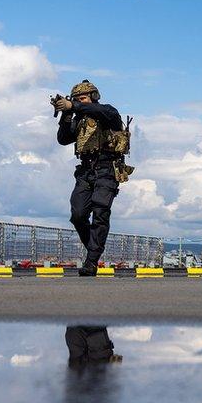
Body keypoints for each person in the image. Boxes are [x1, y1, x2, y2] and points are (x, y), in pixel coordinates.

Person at [53, 80, 133, 277]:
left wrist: (74, 106)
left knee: (100, 212)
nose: (80, 101)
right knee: (78, 214)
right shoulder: (79, 121)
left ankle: (91, 261)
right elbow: (63, 139)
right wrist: (66, 113)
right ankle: (94, 248)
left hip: (107, 169)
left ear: (94, 97)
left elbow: (103, 112)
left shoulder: (108, 113)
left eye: (84, 98)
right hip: (86, 171)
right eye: (77, 99)